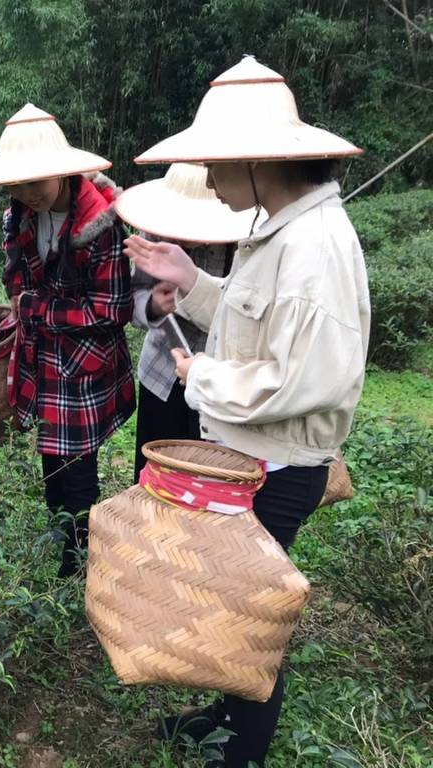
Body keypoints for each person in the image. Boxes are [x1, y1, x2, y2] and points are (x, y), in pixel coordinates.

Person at [126, 56, 370, 767]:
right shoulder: (282, 228)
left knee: (250, 611)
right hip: (248, 456)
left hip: (279, 464)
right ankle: (220, 716)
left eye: (216, 163)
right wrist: (193, 279)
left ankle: (243, 750)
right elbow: (252, 317)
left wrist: (205, 379)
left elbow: (310, 377)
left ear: (259, 161)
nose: (207, 179)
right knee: (230, 597)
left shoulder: (315, 246)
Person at [0, 104, 135, 578]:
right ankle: (64, 538)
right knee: (51, 458)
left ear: (63, 171)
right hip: (44, 354)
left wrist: (36, 309)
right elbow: (15, 275)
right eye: (16, 183)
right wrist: (18, 299)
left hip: (85, 361)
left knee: (77, 466)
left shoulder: (101, 222)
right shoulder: (18, 216)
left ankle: (78, 563)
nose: (27, 193)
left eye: (37, 181)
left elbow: (112, 310)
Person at [114, 162, 260, 482]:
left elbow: (245, 318)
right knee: (155, 471)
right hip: (161, 375)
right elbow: (133, 297)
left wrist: (194, 291)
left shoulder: (245, 244)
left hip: (220, 378)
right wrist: (152, 306)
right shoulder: (153, 233)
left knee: (205, 474)